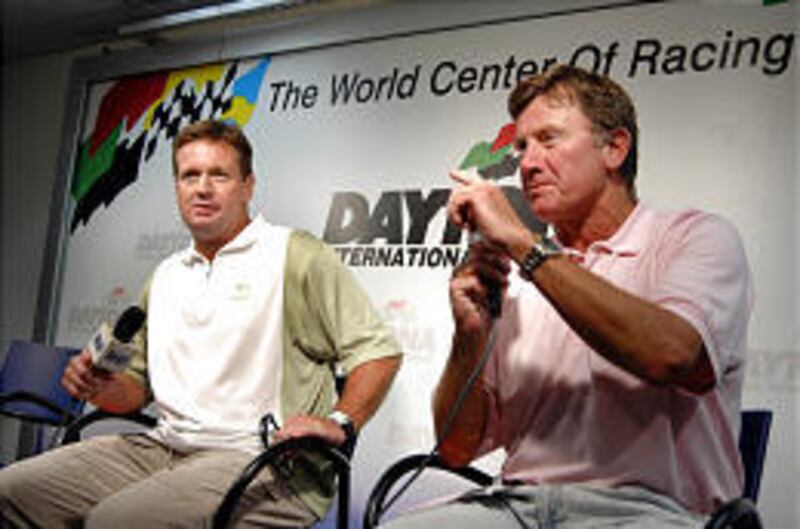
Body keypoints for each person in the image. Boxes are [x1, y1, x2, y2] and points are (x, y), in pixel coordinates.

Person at [381, 65, 753, 528]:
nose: (528, 163)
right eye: (522, 146)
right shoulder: (514, 278)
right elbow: (456, 448)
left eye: (549, 140)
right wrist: (470, 334)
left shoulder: (696, 238)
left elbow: (671, 354)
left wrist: (523, 243)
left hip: (650, 512)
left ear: (614, 148)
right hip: (518, 505)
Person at [0, 120, 402, 528]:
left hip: (265, 462)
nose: (202, 188)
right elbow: (134, 393)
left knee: (117, 522)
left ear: (248, 186)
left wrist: (339, 421)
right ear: (177, 187)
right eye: (189, 175)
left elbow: (378, 352)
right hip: (161, 448)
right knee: (10, 491)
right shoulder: (166, 275)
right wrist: (100, 387)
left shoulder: (294, 255)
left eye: (219, 175)